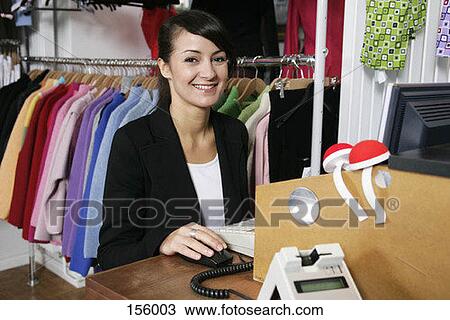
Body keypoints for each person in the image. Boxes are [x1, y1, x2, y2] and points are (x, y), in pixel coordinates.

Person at [97, 10, 252, 270]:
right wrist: (163, 242)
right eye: (192, 59)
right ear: (165, 67)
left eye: (219, 59)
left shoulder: (234, 132)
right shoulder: (133, 140)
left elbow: (238, 223)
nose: (209, 72)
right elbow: (111, 253)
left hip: (229, 285)